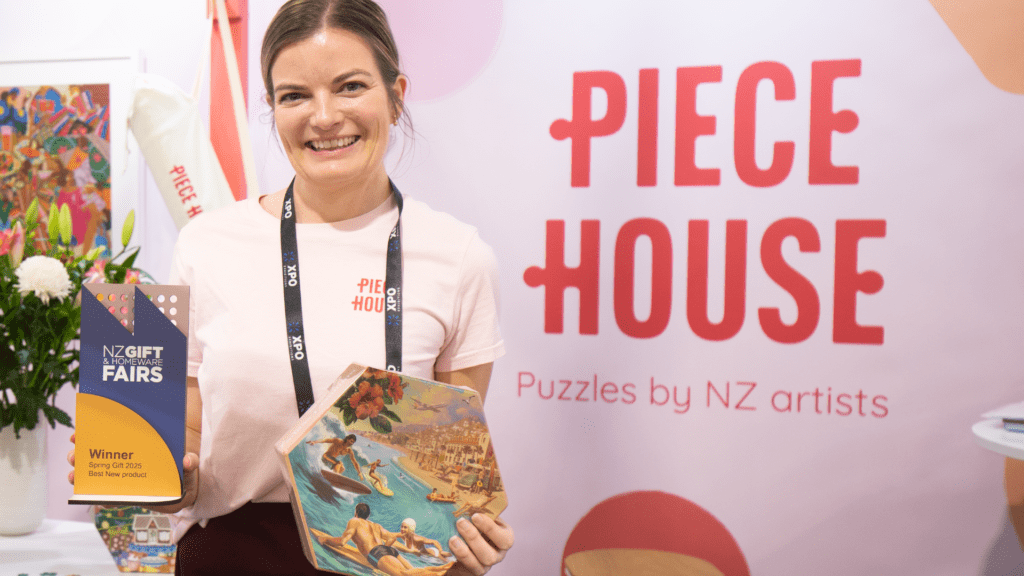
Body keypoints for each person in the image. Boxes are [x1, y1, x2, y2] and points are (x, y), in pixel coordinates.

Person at [68, 0, 514, 574]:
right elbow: (190, 449)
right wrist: (150, 475)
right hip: (232, 555)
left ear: (396, 94)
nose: (323, 117)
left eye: (350, 87)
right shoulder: (207, 245)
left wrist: (465, 547)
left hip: (381, 558)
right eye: (294, 96)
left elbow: (450, 471)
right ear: (273, 108)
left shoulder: (457, 257)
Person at [318, 503, 450, 576]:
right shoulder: (375, 525)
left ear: (356, 513)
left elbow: (342, 542)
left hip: (377, 554)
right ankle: (443, 568)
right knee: (412, 572)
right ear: (368, 515)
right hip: (388, 551)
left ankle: (441, 573)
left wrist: (326, 539)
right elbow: (391, 537)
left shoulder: (354, 521)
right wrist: (385, 548)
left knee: (404, 575)